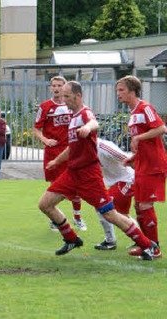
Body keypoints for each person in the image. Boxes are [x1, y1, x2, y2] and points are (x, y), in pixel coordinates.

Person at [38, 81, 158, 260]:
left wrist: (88, 127)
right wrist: (56, 160)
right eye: (62, 96)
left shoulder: (85, 113)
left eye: (67, 97)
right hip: (72, 173)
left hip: (88, 175)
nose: (63, 100)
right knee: (45, 204)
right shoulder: (73, 118)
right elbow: (72, 147)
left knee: (110, 214)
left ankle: (148, 245)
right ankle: (71, 238)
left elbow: (93, 122)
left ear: (78, 96)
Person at [117, 75, 167, 258]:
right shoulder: (133, 113)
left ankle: (155, 248)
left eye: (121, 90)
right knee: (138, 206)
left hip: (154, 165)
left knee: (145, 205)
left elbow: (161, 128)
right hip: (142, 164)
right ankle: (145, 245)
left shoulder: (145, 108)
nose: (118, 94)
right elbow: (146, 141)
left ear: (132, 90)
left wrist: (138, 138)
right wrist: (134, 157)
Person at [34, 76, 86, 231]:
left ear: (64, 88)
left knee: (75, 186)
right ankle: (54, 218)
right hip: (53, 152)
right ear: (50, 88)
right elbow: (36, 129)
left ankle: (78, 218)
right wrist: (45, 139)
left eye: (59, 85)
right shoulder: (45, 107)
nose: (56, 88)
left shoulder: (71, 105)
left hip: (70, 151)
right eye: (54, 85)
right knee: (55, 186)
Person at [93, 138, 136, 251]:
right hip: (116, 182)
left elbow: (129, 160)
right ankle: (141, 239)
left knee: (104, 208)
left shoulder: (104, 147)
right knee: (120, 214)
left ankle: (110, 241)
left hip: (127, 180)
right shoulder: (86, 149)